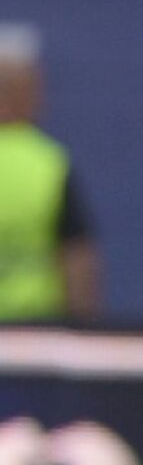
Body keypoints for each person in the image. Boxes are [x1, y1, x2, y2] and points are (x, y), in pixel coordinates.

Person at [0, 23, 102, 322]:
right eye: (33, 86)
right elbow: (78, 257)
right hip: (35, 339)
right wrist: (84, 331)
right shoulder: (48, 164)